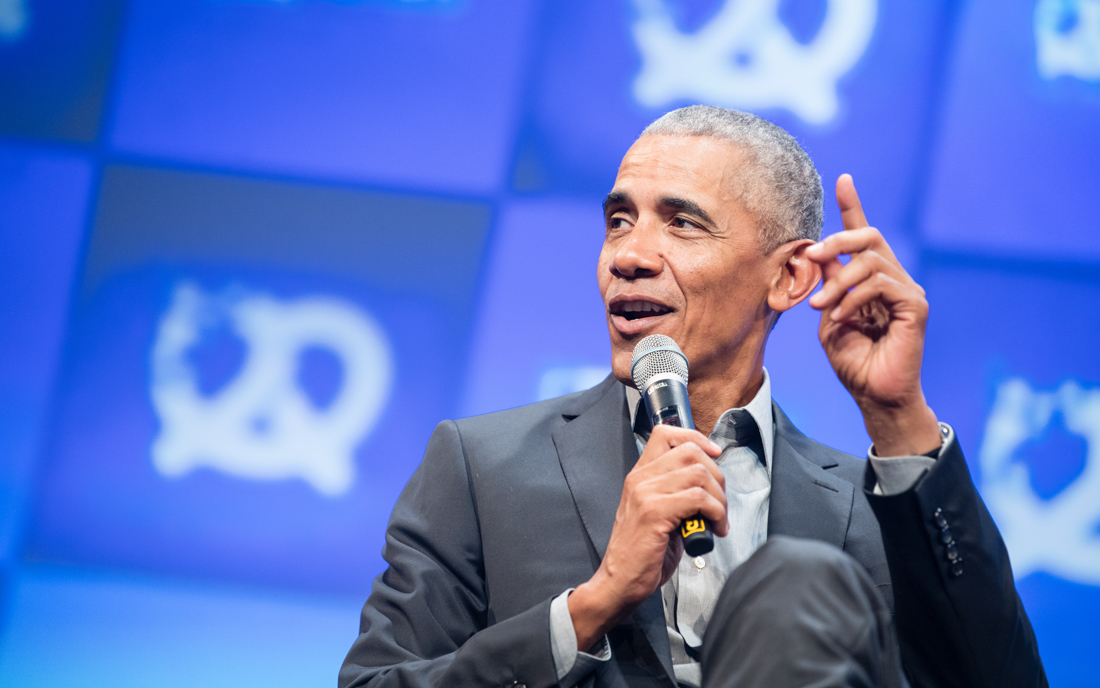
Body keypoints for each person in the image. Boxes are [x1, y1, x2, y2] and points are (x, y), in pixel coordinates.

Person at [339, 106, 1045, 687]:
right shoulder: (480, 467)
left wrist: (899, 421)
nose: (629, 254)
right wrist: (590, 607)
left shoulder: (875, 512)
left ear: (792, 277)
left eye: (681, 223)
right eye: (620, 220)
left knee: (798, 579)